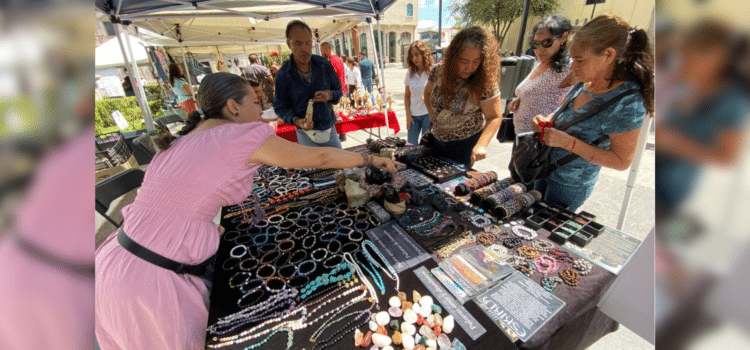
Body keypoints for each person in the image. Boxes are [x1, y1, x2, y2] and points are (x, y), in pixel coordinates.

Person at [95, 72, 399, 350]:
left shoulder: (180, 141)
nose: (261, 111)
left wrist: (208, 230)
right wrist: (369, 160)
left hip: (115, 264)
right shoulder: (240, 135)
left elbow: (177, 202)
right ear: (233, 106)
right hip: (149, 285)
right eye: (255, 102)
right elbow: (318, 157)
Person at [531, 14, 654, 211]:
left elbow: (622, 161)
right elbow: (567, 111)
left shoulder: (628, 101)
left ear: (608, 55)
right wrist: (547, 119)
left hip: (570, 185)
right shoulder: (587, 80)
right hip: (544, 168)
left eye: (579, 60)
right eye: (572, 58)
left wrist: (568, 143)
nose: (572, 66)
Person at [423, 26, 503, 168]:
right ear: (454, 57)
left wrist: (481, 145)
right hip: (436, 140)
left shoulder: (485, 81)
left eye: (476, 61)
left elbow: (495, 117)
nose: (470, 67)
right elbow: (427, 93)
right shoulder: (438, 71)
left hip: (464, 146)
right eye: (464, 61)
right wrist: (431, 114)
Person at [274, 20, 345, 148]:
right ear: (289, 44)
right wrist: (297, 121)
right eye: (298, 43)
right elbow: (280, 107)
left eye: (308, 43)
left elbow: (339, 91)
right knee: (313, 168)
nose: (305, 49)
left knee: (340, 164)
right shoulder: (282, 75)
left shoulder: (323, 64)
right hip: (305, 134)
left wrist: (329, 95)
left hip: (329, 129)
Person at [509, 14, 575, 135]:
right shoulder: (539, 63)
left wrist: (550, 118)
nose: (539, 49)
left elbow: (575, 104)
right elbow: (537, 90)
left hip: (541, 142)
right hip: (522, 137)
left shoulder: (569, 68)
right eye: (535, 44)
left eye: (547, 42)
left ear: (563, 37)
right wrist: (520, 98)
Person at [404, 40, 434, 145]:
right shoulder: (410, 73)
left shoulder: (432, 71)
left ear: (423, 54)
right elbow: (407, 96)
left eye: (417, 54)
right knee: (411, 146)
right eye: (412, 56)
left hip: (428, 115)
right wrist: (408, 114)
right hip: (413, 116)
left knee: (426, 146)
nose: (414, 58)